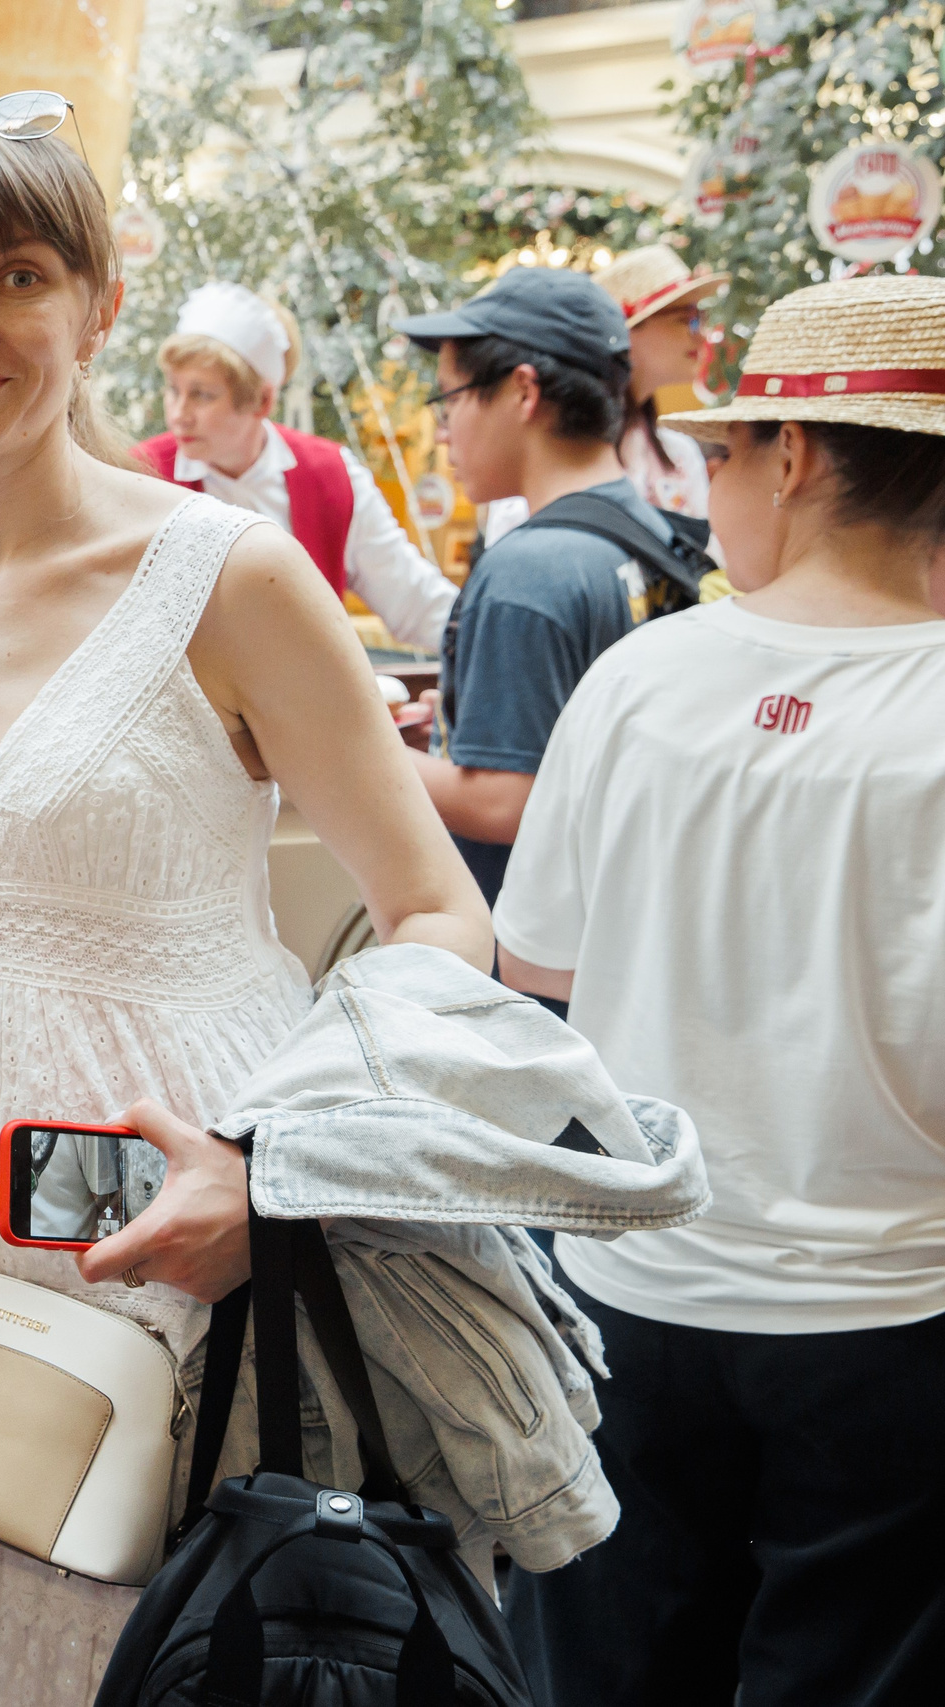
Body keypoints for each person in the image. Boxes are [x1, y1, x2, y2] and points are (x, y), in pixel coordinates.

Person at [0, 112, 490, 1701]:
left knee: (159, 1654)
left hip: (183, 1262)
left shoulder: (226, 576)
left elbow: (438, 913)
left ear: (96, 310)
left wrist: (271, 1168)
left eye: (18, 275)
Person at [492, 274, 945, 1707]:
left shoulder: (641, 680)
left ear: (797, 456)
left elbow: (534, 966)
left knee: (616, 1669)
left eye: (729, 453)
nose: (709, 493)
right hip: (891, 1315)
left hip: (635, 1283)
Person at [394, 268, 658, 912]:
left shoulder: (528, 573)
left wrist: (357, 740)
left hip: (524, 948)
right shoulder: (644, 529)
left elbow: (504, 802)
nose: (443, 431)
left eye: (449, 400)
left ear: (522, 391)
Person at [141, 282, 461, 650]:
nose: (179, 414)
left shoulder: (331, 476)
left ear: (262, 400)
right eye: (173, 389)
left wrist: (500, 636)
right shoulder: (139, 474)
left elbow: (413, 600)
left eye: (202, 394)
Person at [479, 247, 724, 547]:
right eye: (688, 319)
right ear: (628, 330)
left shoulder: (680, 454)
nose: (701, 335)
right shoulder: (549, 456)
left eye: (701, 318)